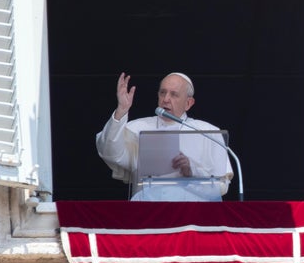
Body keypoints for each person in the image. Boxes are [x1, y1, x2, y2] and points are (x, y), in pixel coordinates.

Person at [96, 72, 233, 201]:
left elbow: (221, 187)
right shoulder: (138, 128)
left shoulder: (207, 132)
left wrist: (192, 172)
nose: (166, 99)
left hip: (191, 216)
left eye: (174, 94)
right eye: (163, 93)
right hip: (147, 213)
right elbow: (111, 153)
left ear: (188, 103)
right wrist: (121, 110)